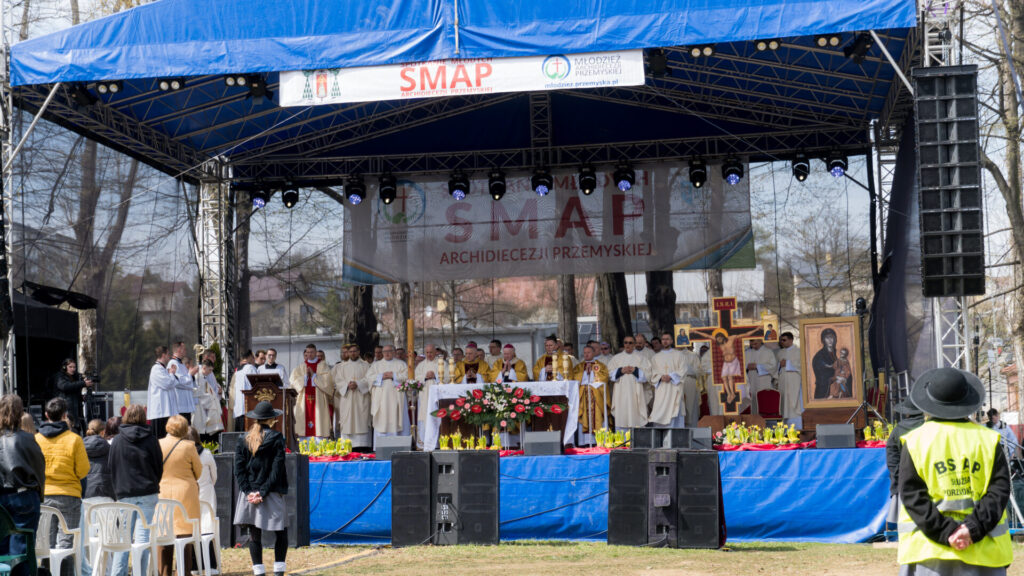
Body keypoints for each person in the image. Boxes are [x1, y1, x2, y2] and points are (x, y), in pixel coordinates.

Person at [898, 368, 1012, 575]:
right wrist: (971, 529)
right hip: (984, 550)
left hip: (928, 551)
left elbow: (912, 495)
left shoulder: (915, 442)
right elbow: (999, 491)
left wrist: (947, 531)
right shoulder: (987, 440)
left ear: (928, 403)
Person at [234, 401, 289, 576]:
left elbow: (239, 470)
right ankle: (278, 570)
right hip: (271, 491)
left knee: (254, 533)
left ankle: (259, 571)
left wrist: (249, 492)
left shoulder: (243, 438)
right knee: (281, 531)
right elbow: (277, 469)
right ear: (272, 419)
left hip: (251, 493)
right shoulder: (277, 438)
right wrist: (262, 492)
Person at [35, 397, 89, 576]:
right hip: (69, 496)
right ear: (65, 415)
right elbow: (83, 471)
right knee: (67, 545)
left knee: (46, 545)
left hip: (44, 497)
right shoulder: (74, 439)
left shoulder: (37, 439)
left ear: (46, 415)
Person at [108, 404, 162, 576]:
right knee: (142, 540)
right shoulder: (151, 439)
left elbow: (112, 467)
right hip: (147, 492)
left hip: (125, 493)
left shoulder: (117, 440)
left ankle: (118, 574)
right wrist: (152, 482)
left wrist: (119, 489)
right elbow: (159, 467)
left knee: (123, 541)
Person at [0, 394, 46, 576]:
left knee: (3, 551)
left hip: (3, 499)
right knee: (22, 551)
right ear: (20, 413)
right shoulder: (28, 439)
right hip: (24, 497)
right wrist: (38, 494)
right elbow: (39, 468)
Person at [157, 415, 201, 576]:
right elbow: (199, 471)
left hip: (162, 492)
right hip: (185, 494)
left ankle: (164, 571)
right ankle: (184, 571)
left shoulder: (158, 444)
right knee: (185, 535)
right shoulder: (189, 446)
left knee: (164, 533)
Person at [81, 419, 114, 576]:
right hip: (106, 495)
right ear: (103, 432)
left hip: (86, 495)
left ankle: (91, 571)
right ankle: (107, 572)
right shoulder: (109, 448)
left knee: (88, 540)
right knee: (107, 538)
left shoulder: (80, 446)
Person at [886, 399, 924, 527]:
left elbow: (892, 459)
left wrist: (896, 478)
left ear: (906, 413)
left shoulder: (897, 430)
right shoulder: (929, 427)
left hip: (906, 479)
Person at [365, 344, 409, 447]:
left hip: (397, 397)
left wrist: (393, 376)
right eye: (385, 352)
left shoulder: (401, 364)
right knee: (382, 421)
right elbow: (369, 377)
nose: (387, 353)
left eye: (389, 351)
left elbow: (407, 377)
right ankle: (380, 447)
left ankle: (399, 446)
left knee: (397, 418)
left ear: (394, 352)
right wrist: (381, 376)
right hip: (381, 399)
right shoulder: (376, 365)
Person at [189, 427, 218, 571]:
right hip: (206, 495)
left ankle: (193, 565)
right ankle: (211, 564)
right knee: (208, 530)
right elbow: (215, 476)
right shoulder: (206, 454)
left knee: (192, 530)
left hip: (189, 496)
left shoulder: (183, 455)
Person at [290, 344, 334, 438]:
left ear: (315, 352)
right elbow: (293, 382)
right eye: (308, 352)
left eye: (312, 352)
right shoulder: (300, 367)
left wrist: (314, 375)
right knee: (303, 423)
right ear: (305, 353)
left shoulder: (323, 366)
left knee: (319, 421)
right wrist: (305, 377)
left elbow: (328, 382)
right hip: (303, 400)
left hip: (319, 399)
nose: (309, 354)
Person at [607, 336, 652, 429]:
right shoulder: (616, 358)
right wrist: (620, 371)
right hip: (620, 393)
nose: (628, 345)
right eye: (626, 342)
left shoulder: (641, 358)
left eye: (630, 343)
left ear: (634, 344)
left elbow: (648, 375)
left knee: (636, 416)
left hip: (636, 393)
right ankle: (622, 442)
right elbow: (609, 374)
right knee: (621, 417)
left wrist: (635, 370)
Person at [332, 344, 372, 449]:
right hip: (347, 397)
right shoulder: (342, 366)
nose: (353, 353)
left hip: (361, 397)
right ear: (348, 353)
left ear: (359, 352)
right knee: (347, 420)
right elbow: (338, 380)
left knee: (361, 419)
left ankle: (362, 445)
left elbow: (369, 379)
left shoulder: (366, 365)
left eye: (355, 351)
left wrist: (358, 384)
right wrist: (347, 385)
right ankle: (347, 444)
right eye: (351, 351)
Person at [571, 344, 610, 444]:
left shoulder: (600, 365)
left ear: (593, 353)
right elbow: (574, 378)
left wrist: (593, 373)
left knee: (597, 417)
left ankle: (599, 441)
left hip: (596, 397)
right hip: (583, 396)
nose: (586, 354)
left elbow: (604, 378)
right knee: (584, 416)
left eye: (588, 352)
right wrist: (584, 372)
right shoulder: (579, 366)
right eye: (584, 353)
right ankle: (584, 443)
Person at [148, 346, 187, 438]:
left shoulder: (163, 369)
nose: (169, 356)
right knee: (160, 439)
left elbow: (175, 382)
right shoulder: (156, 369)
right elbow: (168, 384)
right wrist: (172, 374)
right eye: (168, 354)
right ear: (163, 355)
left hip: (166, 411)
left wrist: (171, 375)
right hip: (160, 412)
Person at [649, 334, 687, 427]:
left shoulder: (679, 355)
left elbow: (683, 370)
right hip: (661, 390)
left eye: (667, 339)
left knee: (675, 412)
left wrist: (671, 376)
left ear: (671, 341)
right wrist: (660, 377)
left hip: (674, 389)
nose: (665, 341)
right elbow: (652, 372)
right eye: (663, 339)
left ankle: (676, 439)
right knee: (659, 411)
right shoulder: (655, 357)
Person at [413, 344, 447, 444]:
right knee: (425, 418)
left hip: (438, 395)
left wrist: (436, 376)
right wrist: (425, 376)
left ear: (435, 352)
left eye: (431, 352)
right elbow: (415, 378)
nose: (429, 354)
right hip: (424, 397)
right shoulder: (421, 365)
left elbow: (448, 377)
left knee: (438, 417)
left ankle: (438, 443)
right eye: (427, 352)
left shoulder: (443, 363)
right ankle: (424, 442)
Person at [54, 358, 94, 433]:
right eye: (70, 367)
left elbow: (75, 389)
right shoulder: (60, 376)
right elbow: (65, 386)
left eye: (74, 367)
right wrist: (83, 383)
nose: (73, 369)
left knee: (77, 428)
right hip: (66, 407)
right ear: (65, 367)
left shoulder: (76, 376)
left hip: (76, 408)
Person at [775, 332, 804, 428]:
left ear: (791, 340)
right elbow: (776, 368)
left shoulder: (799, 351)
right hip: (783, 382)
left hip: (794, 382)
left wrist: (787, 363)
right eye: (781, 340)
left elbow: (802, 366)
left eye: (784, 340)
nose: (782, 342)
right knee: (784, 405)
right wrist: (780, 365)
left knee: (795, 404)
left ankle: (797, 428)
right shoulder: (780, 353)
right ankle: (786, 429)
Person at [744, 338, 777, 415]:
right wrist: (746, 366)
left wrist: (757, 366)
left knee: (762, 401)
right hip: (750, 380)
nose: (753, 343)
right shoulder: (746, 353)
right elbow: (741, 366)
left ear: (760, 340)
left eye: (755, 340)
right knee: (752, 403)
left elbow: (773, 366)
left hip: (763, 381)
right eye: (751, 341)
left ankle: (764, 420)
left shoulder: (768, 352)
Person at [193, 360, 224, 440]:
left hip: (205, 408)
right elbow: (198, 393)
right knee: (202, 431)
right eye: (209, 370)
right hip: (200, 407)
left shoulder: (203, 377)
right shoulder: (198, 377)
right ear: (204, 368)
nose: (210, 372)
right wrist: (211, 401)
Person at [169, 342, 199, 424]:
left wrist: (191, 376)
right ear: (179, 350)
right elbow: (177, 382)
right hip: (180, 404)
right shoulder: (173, 363)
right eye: (184, 349)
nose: (186, 351)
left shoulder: (180, 364)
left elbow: (186, 380)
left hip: (185, 404)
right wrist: (190, 374)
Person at [231, 350, 259, 432]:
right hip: (248, 405)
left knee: (239, 432)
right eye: (253, 358)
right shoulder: (250, 368)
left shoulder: (238, 370)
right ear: (250, 357)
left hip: (239, 407)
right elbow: (256, 385)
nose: (254, 360)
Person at [812, 328, 838, 399]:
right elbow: (820, 367)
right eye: (827, 338)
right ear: (823, 340)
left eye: (832, 337)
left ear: (835, 339)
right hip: (823, 390)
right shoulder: (820, 355)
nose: (830, 340)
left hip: (834, 387)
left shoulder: (834, 353)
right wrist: (831, 367)